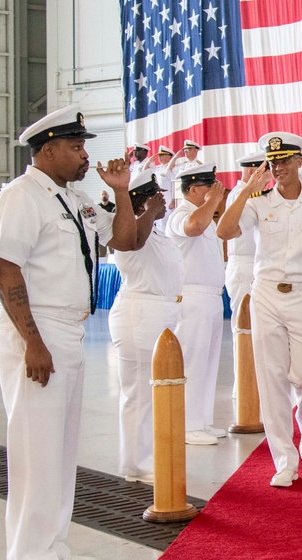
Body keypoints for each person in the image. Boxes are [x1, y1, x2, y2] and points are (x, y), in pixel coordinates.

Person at [0, 103, 136, 560]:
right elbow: (5, 269)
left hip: (68, 330)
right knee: (36, 446)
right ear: (47, 149)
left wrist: (120, 193)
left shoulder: (70, 198)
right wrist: (32, 341)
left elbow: (125, 241)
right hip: (38, 330)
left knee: (61, 444)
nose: (84, 156)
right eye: (76, 147)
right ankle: (27, 559)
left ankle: (52, 543)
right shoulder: (22, 197)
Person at [217, 132, 302, 488]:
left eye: (285, 160)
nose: (278, 167)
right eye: (273, 161)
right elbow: (224, 231)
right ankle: (285, 458)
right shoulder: (256, 202)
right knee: (271, 380)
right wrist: (245, 189)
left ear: (300, 161)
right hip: (266, 294)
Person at [109, 171, 180, 482]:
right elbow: (132, 245)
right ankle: (134, 464)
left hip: (161, 313)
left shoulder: (155, 230)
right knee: (138, 392)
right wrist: (149, 211)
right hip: (140, 312)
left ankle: (146, 456)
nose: (164, 200)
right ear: (145, 199)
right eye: (157, 195)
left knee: (152, 393)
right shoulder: (130, 230)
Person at [166, 163, 227, 446]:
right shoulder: (181, 214)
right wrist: (214, 201)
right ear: (193, 189)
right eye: (208, 186)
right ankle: (187, 425)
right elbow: (193, 228)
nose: (215, 189)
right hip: (192, 296)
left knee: (208, 362)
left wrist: (213, 202)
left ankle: (202, 421)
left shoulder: (207, 217)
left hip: (211, 296)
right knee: (192, 362)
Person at [225, 151, 267, 396]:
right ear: (253, 171)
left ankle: (252, 381)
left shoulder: (254, 195)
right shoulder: (240, 195)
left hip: (256, 263)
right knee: (242, 327)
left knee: (256, 328)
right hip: (244, 265)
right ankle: (242, 384)